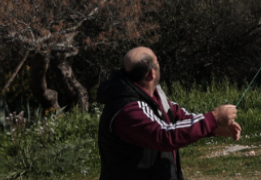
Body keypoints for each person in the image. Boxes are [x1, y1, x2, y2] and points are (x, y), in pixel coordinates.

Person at [97, 47, 240, 180]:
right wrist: (212, 119)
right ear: (151, 73)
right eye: (157, 60)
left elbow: (179, 117)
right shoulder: (128, 109)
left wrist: (211, 129)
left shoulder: (154, 93)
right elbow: (164, 136)